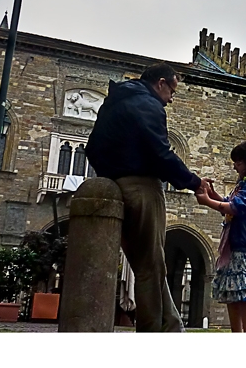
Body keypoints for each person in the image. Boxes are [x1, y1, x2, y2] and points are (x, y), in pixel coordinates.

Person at [85, 63, 209, 333]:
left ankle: (172, 325)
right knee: (149, 268)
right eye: (172, 91)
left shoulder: (114, 102)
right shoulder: (149, 105)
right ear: (161, 83)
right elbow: (160, 153)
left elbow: (91, 148)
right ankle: (154, 333)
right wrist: (193, 181)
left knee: (148, 262)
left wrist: (110, 175)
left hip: (112, 186)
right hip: (142, 187)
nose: (171, 99)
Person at [195, 140, 246, 332]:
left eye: (238, 162)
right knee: (234, 292)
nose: (234, 166)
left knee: (244, 292)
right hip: (236, 243)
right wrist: (213, 195)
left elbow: (238, 207)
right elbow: (229, 204)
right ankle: (236, 334)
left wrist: (207, 202)